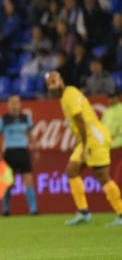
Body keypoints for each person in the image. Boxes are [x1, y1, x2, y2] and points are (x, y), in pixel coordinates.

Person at [44, 71, 122, 226]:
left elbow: (80, 121)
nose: (53, 86)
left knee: (103, 177)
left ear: (61, 81)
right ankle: (83, 212)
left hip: (94, 139)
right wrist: (79, 141)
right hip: (86, 139)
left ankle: (120, 213)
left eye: (55, 82)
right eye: (50, 84)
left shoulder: (69, 96)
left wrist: (84, 145)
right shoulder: (68, 94)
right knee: (71, 171)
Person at [0, 94, 38, 216]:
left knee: (28, 181)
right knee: (7, 182)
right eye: (11, 103)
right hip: (10, 152)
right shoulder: (3, 119)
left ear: (20, 104)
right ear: (8, 105)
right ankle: (5, 209)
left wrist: (35, 149)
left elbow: (30, 135)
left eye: (16, 103)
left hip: (23, 151)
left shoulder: (26, 118)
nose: (14, 106)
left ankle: (33, 209)